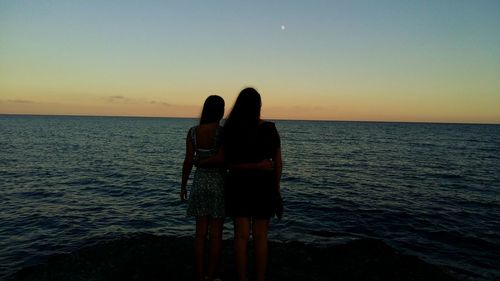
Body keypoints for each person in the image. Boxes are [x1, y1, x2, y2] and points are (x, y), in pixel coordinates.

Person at [223, 87, 283, 281]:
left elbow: (229, 164)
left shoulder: (230, 128)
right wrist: (275, 186)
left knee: (240, 236)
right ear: (259, 106)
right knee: (261, 236)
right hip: (263, 187)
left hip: (238, 185)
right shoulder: (269, 129)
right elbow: (278, 162)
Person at [181, 95, 226, 281]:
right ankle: (211, 275)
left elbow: (188, 161)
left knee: (199, 234)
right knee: (216, 234)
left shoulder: (193, 132)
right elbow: (224, 158)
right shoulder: (223, 133)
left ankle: (200, 276)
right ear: (221, 111)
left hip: (199, 183)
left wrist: (183, 184)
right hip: (219, 184)